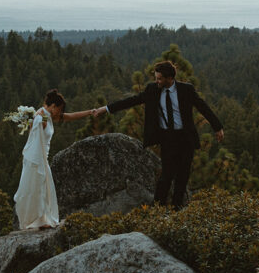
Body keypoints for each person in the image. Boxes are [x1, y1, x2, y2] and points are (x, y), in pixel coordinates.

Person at [92, 61, 224, 208]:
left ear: (169, 78)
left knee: (183, 176)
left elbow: (203, 107)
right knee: (166, 176)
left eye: (159, 78)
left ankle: (177, 208)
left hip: (186, 138)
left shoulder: (186, 90)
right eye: (156, 78)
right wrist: (105, 109)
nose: (156, 81)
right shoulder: (152, 89)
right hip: (167, 138)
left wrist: (217, 127)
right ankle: (157, 209)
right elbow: (131, 101)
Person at [14, 89, 92, 230]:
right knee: (37, 188)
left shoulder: (49, 115)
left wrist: (90, 112)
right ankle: (37, 220)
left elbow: (70, 116)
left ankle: (42, 219)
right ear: (53, 106)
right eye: (59, 109)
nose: (59, 112)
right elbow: (36, 126)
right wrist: (36, 119)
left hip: (44, 158)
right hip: (37, 159)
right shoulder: (41, 116)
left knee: (43, 188)